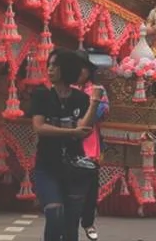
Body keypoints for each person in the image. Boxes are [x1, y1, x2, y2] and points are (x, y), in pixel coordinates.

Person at [30, 48, 98, 241]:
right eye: (49, 65)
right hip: (47, 166)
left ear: (66, 69)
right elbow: (39, 126)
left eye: (55, 66)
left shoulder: (81, 99)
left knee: (70, 225)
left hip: (74, 168)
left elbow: (84, 129)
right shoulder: (42, 95)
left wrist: (94, 103)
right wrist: (71, 132)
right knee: (54, 213)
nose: (50, 70)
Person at [74, 52, 108, 241]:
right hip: (65, 140)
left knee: (90, 186)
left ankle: (88, 222)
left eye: (83, 67)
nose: (79, 71)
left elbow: (101, 113)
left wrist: (91, 105)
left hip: (89, 141)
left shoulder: (97, 89)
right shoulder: (62, 88)